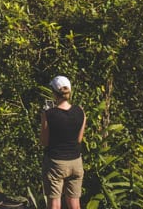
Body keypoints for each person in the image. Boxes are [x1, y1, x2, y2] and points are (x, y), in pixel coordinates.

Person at [40, 75, 86, 209]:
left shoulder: (49, 114)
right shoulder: (80, 112)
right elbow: (79, 139)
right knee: (75, 204)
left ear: (54, 93)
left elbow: (44, 141)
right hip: (76, 162)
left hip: (56, 163)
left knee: (54, 202)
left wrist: (44, 118)